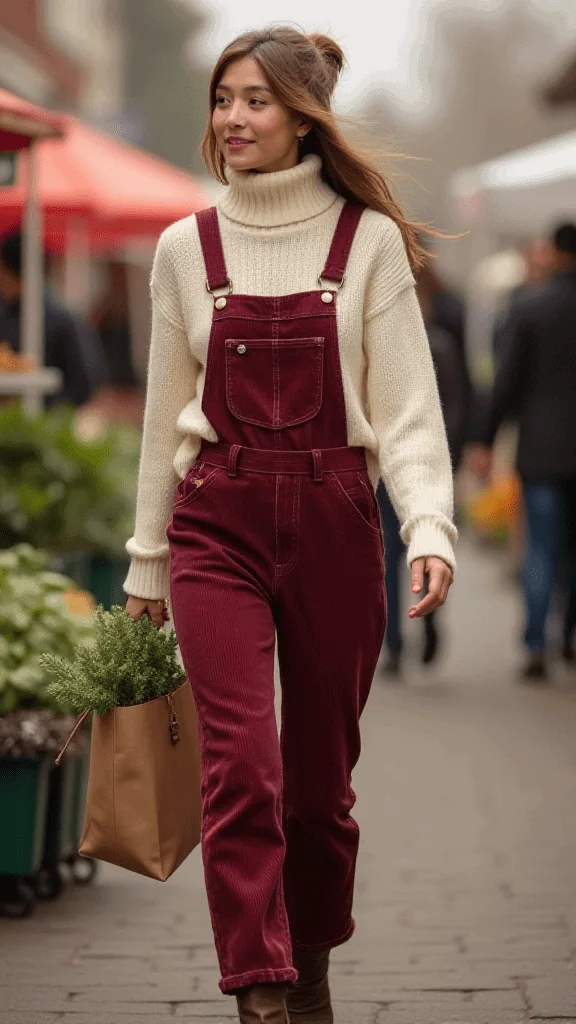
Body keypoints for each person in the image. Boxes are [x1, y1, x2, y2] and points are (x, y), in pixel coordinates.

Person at [124, 28, 456, 1024]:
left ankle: (308, 961)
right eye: (223, 99)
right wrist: (146, 567)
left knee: (320, 792)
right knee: (241, 770)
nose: (232, 119)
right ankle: (260, 990)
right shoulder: (188, 249)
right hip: (215, 519)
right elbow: (158, 423)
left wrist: (431, 524)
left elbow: (405, 409)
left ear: (303, 114)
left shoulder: (368, 242)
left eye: (256, 100)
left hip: (336, 517)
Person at [470, 223, 576, 682]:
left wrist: (486, 439)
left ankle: (536, 644)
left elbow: (506, 380)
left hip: (543, 453)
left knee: (541, 548)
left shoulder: (530, 307)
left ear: (553, 253)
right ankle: (569, 638)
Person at [378, 261, 468, 675]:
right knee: (427, 548)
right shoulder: (442, 344)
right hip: (429, 467)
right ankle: (424, 624)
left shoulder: (388, 348)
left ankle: (396, 642)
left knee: (390, 556)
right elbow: (457, 407)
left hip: (384, 465)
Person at [0, 232, 106, 408]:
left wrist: (48, 410)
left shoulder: (62, 322)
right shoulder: (6, 314)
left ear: (17, 274)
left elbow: (86, 381)